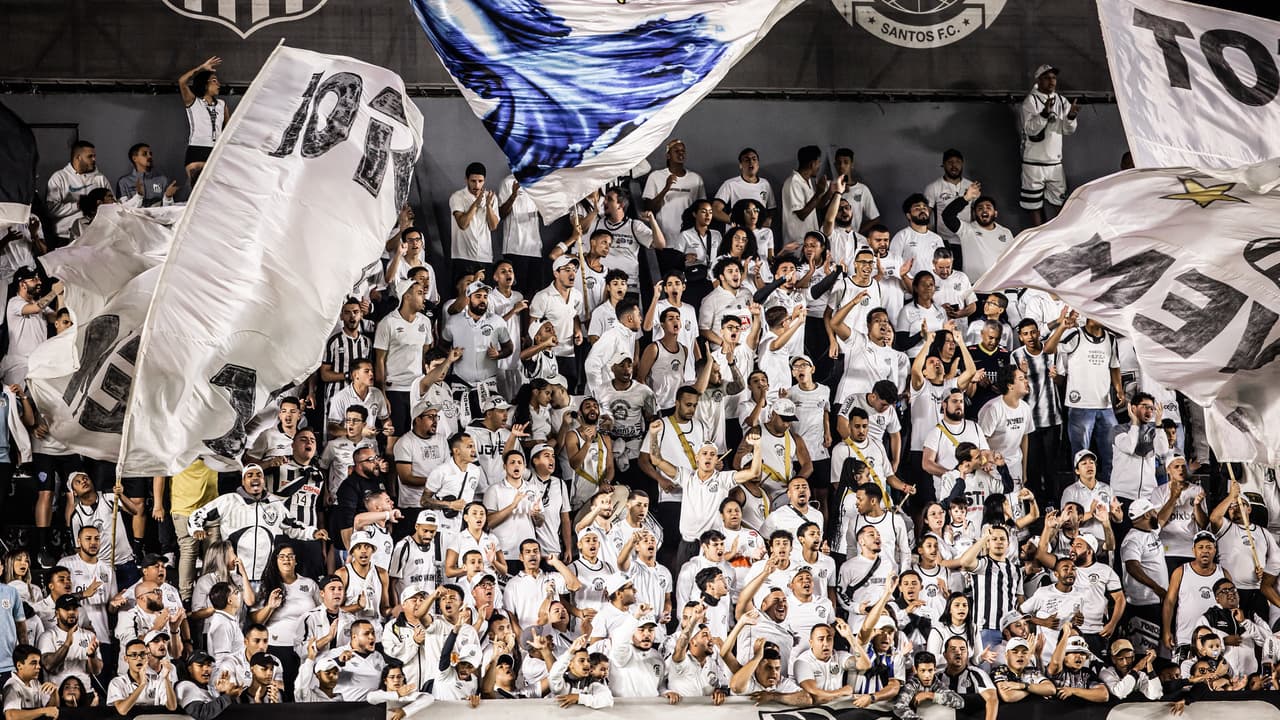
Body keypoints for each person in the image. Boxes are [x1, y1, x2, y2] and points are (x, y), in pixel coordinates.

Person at [1020, 64, 1080, 226]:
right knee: (1034, 205)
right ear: (1038, 80)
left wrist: (1071, 116)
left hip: (1054, 163)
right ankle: (1039, 238)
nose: (1051, 81)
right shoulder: (1031, 101)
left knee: (1059, 203)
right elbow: (1030, 130)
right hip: (1033, 163)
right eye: (1047, 78)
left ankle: (1057, 235)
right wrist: (1045, 113)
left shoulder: (1062, 100)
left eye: (1053, 77)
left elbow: (1068, 130)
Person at [46, 141, 110, 238]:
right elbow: (51, 209)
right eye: (90, 156)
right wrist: (78, 205)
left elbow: (112, 203)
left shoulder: (100, 178)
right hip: (65, 237)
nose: (94, 159)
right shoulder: (59, 178)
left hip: (96, 236)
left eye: (94, 156)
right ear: (78, 158)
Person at [178, 57, 228, 176]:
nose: (219, 84)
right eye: (214, 81)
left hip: (216, 150)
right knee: (196, 189)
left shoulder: (222, 104)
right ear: (204, 84)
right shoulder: (193, 101)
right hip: (197, 149)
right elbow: (182, 81)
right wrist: (201, 68)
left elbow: (228, 129)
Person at [449, 162, 499, 279]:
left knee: (484, 295)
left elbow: (493, 226)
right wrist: (476, 204)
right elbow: (463, 224)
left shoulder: (491, 197)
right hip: (462, 256)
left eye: (480, 181)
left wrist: (488, 206)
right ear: (466, 179)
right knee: (463, 294)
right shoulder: (457, 197)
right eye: (473, 181)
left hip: (485, 256)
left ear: (484, 181)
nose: (477, 185)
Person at [781, 146, 832, 247]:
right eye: (818, 162)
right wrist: (818, 193)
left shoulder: (807, 181)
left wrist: (830, 191)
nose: (819, 165)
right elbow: (802, 214)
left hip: (810, 243)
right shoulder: (794, 182)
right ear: (812, 164)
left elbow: (816, 206)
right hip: (797, 244)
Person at [893, 650, 966, 720]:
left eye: (930, 670)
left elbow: (960, 702)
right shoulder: (911, 685)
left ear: (935, 669)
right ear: (916, 670)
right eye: (923, 670)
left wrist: (930, 695)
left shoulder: (937, 684)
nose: (927, 675)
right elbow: (899, 706)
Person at [991, 637, 1055, 703]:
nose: (1020, 655)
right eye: (1015, 652)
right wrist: (1036, 690)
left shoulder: (1030, 671)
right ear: (1006, 655)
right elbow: (1008, 696)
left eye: (1024, 652)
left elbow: (1051, 689)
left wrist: (1022, 686)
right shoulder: (1000, 670)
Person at [2, 644, 58, 720]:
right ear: (19, 665)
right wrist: (43, 710)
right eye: (33, 663)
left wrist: (54, 693)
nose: (38, 666)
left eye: (38, 663)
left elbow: (51, 711)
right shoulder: (12, 685)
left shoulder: (35, 682)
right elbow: (11, 716)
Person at [115, 143, 178, 208]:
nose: (149, 156)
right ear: (134, 158)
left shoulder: (162, 180)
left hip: (158, 218)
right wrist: (139, 195)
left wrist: (168, 198)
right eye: (145, 154)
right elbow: (122, 209)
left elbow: (168, 210)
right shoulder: (123, 182)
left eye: (150, 154)